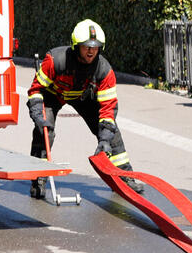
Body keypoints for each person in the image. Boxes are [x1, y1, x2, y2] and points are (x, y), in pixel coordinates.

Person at [27, 19, 145, 196]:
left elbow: (108, 108)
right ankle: (38, 177)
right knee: (44, 131)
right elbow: (36, 90)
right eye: (86, 46)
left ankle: (124, 176)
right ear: (76, 46)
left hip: (82, 96)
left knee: (111, 133)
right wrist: (37, 113)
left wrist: (104, 139)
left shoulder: (104, 70)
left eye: (95, 47)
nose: (91, 51)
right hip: (53, 95)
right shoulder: (55, 60)